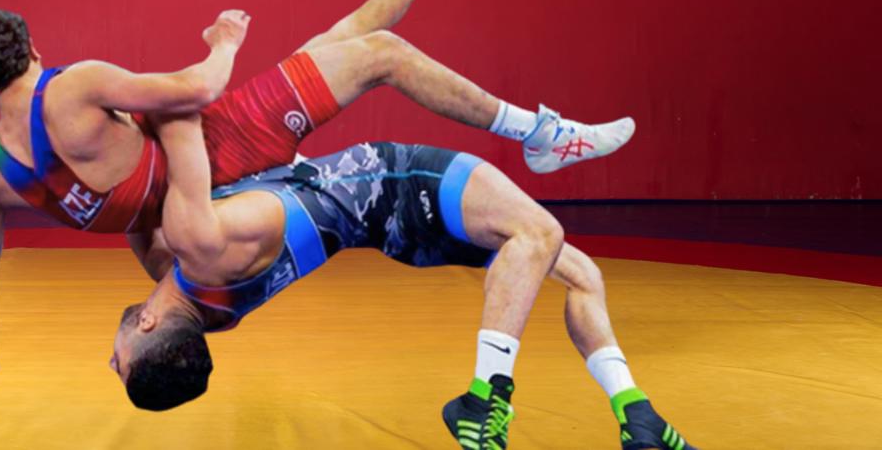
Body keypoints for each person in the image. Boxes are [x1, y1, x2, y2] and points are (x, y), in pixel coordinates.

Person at [0, 0, 635, 394]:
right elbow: (193, 94)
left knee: (340, 44)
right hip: (215, 156)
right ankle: (540, 135)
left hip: (197, 204)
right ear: (33, 50)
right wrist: (224, 42)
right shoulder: (69, 89)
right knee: (379, 56)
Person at [110, 113, 695, 450]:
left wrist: (110, 197)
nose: (110, 359)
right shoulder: (202, 256)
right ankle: (485, 397)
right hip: (399, 182)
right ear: (151, 324)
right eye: (121, 362)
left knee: (580, 273)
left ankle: (636, 414)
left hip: (398, 234)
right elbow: (175, 132)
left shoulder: (199, 299)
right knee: (540, 233)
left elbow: (132, 213)